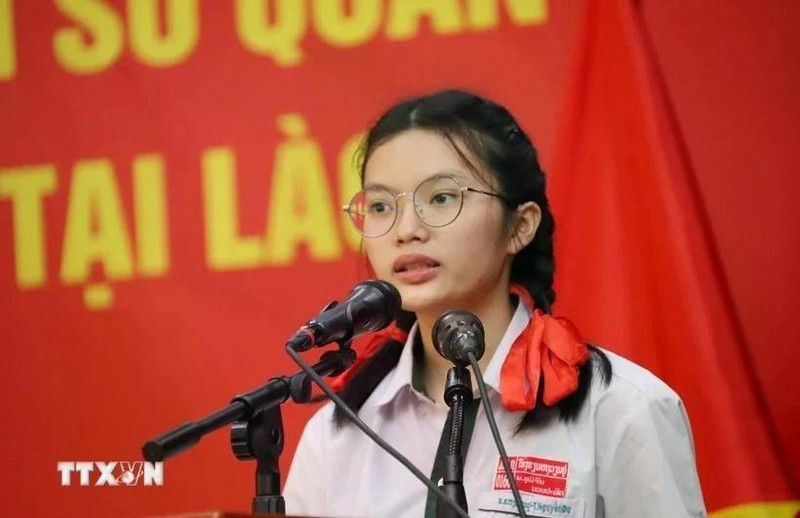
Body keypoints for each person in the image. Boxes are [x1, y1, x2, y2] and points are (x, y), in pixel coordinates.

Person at [283, 89, 706, 517]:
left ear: (520, 226)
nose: (406, 229)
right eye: (379, 206)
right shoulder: (338, 432)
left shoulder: (618, 410)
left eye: (442, 198)